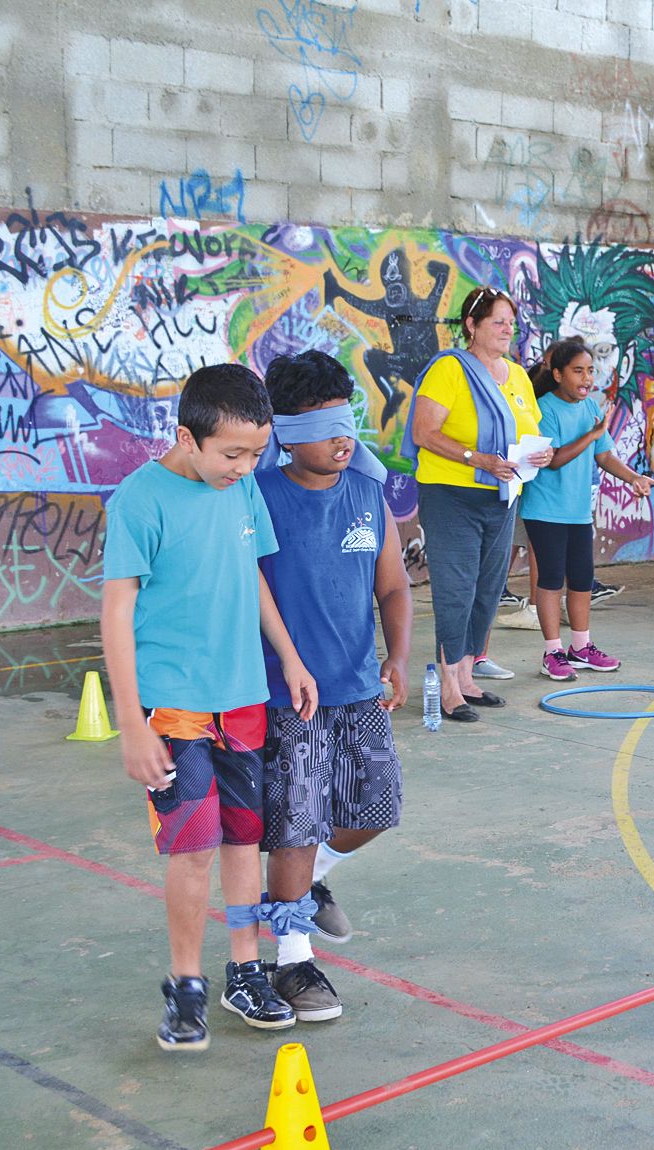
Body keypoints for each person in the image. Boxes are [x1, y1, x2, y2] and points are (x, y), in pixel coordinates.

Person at [100, 363, 318, 1052]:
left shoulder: (241, 488)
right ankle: (186, 985)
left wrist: (287, 653)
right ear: (187, 438)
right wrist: (130, 721)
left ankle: (244, 971)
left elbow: (249, 573)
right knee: (192, 850)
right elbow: (116, 610)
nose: (245, 466)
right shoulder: (139, 501)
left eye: (257, 453)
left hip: (243, 700)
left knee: (242, 842)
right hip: (175, 710)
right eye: (232, 453)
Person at [252, 351, 412, 1022]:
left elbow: (394, 583)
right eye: (326, 428)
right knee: (296, 820)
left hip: (357, 685)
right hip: (290, 695)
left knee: (374, 809)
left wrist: (398, 658)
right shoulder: (260, 498)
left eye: (347, 424)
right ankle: (290, 960)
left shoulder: (365, 493)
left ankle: (308, 884)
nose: (343, 439)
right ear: (288, 432)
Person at [401, 287, 552, 722]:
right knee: (457, 589)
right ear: (472, 325)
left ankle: (467, 676)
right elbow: (424, 433)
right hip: (452, 495)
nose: (508, 329)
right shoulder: (449, 370)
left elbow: (528, 429)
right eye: (498, 322)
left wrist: (538, 453)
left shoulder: (518, 375)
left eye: (511, 322)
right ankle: (448, 687)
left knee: (488, 589)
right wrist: (476, 458)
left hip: (502, 496)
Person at [521, 336, 654, 680]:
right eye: (578, 371)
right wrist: (591, 433)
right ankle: (552, 652)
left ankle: (580, 648)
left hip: (579, 510)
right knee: (551, 580)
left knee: (582, 579)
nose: (587, 379)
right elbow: (553, 460)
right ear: (557, 375)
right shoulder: (546, 409)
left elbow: (604, 455)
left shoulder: (591, 409)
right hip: (545, 509)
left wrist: (633, 478)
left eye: (590, 371)